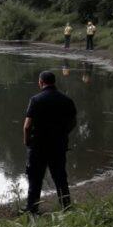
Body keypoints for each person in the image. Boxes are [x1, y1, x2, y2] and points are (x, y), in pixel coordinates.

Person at [23, 71, 77, 214]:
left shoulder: (36, 100)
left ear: (41, 82)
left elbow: (27, 126)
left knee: (35, 178)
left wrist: (27, 141)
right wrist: (63, 133)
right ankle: (66, 206)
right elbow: (73, 122)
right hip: (58, 145)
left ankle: (32, 209)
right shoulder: (66, 100)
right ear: (54, 82)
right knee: (60, 177)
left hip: (39, 146)